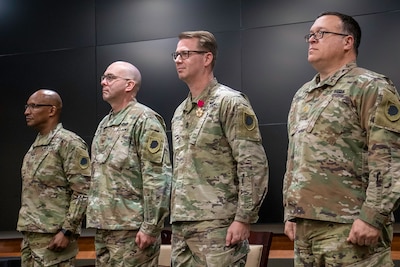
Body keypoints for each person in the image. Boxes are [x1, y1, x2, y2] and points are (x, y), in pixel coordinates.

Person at [283, 11, 400, 266]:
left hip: (350, 230)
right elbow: (294, 158)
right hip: (304, 232)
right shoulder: (303, 95)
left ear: (348, 41)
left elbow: (389, 158)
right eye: (310, 35)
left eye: (321, 33)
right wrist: (290, 211)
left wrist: (372, 216)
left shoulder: (371, 86)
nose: (312, 39)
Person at [170, 30, 269, 267]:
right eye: (175, 54)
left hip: (218, 225)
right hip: (182, 225)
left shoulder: (230, 102)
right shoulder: (180, 112)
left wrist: (244, 218)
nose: (177, 59)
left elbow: (252, 163)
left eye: (185, 53)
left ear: (207, 58)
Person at [86, 61, 172, 266]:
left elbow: (158, 177)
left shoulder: (145, 119)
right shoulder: (104, 124)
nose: (103, 82)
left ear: (129, 85)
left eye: (110, 78)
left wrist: (151, 226)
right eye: (103, 77)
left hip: (132, 229)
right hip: (105, 226)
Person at [17, 89, 91, 266]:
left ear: (51, 110)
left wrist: (67, 231)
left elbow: (83, 191)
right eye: (27, 106)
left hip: (54, 239)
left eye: (34, 106)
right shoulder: (35, 147)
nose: (27, 111)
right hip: (30, 236)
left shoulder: (69, 143)